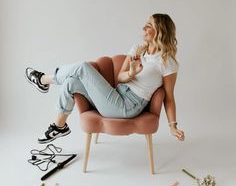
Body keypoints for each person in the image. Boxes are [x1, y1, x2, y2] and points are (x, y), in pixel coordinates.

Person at [25, 13, 185, 144]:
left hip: (127, 106)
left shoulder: (167, 62)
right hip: (117, 94)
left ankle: (43, 80)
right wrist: (132, 73)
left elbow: (169, 98)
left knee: (83, 67)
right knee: (71, 82)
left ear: (160, 31)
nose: (143, 27)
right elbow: (120, 78)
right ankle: (59, 127)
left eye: (149, 25)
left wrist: (173, 126)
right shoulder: (138, 49)